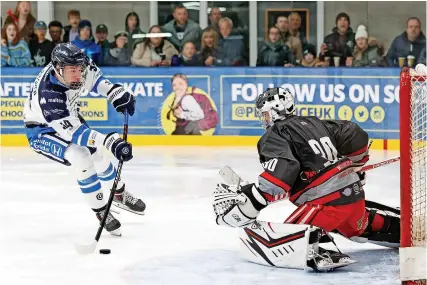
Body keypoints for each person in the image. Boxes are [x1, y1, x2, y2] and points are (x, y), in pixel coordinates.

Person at [212, 87, 400, 271]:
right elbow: (355, 136)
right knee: (359, 226)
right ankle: (400, 227)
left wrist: (254, 197)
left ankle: (316, 244)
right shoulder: (315, 122)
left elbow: (283, 172)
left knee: (292, 236)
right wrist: (356, 165)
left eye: (266, 114)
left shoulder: (275, 133)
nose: (265, 119)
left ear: (276, 110)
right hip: (354, 196)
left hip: (325, 204)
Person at [23, 43, 146, 236]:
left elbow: (97, 80)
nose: (78, 75)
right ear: (57, 67)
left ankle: (119, 193)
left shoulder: (79, 63)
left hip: (69, 115)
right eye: (72, 70)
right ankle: (100, 211)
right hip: (42, 130)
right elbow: (77, 135)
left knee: (97, 153)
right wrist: (110, 141)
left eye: (79, 69)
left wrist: (115, 93)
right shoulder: (48, 95)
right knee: (81, 156)